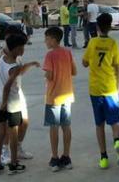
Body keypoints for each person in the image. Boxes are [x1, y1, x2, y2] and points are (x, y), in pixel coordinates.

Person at [0, 33, 39, 175]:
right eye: (22, 47)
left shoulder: (2, 60)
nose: (23, 50)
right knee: (13, 133)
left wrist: (29, 64)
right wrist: (6, 102)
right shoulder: (13, 66)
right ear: (17, 49)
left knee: (0, 132)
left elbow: (15, 73)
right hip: (11, 103)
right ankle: (13, 163)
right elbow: (8, 85)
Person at [82, 13, 119, 169]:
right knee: (114, 121)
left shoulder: (92, 43)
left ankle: (104, 157)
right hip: (110, 88)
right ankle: (117, 140)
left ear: (98, 27)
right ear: (110, 27)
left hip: (95, 89)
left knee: (99, 124)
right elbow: (118, 66)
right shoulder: (113, 44)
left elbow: (84, 63)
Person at [42, 27, 76, 172]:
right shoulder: (67, 52)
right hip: (67, 95)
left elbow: (49, 75)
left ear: (53, 39)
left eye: (47, 38)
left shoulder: (50, 55)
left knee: (53, 127)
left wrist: (47, 76)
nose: (45, 41)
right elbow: (74, 71)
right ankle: (66, 156)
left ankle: (55, 158)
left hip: (53, 97)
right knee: (66, 126)